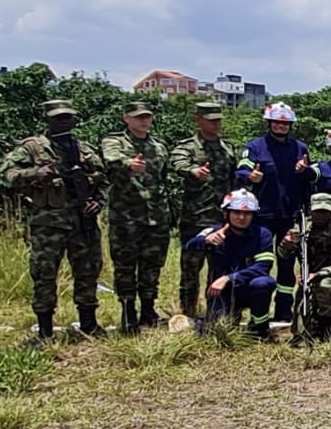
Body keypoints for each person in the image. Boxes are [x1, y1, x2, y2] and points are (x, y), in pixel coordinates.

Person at [3, 101, 107, 342]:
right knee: (44, 273)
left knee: (89, 271)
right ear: (48, 119)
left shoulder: (84, 149)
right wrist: (34, 174)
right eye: (58, 117)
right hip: (49, 223)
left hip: (83, 222)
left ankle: (89, 324)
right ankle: (45, 330)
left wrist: (98, 202)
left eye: (68, 117)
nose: (64, 121)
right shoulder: (33, 148)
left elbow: (103, 180)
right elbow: (7, 176)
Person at [237, 101, 311, 324]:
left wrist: (304, 170)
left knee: (287, 263)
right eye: (276, 122)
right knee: (260, 261)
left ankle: (284, 310)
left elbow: (311, 176)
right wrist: (250, 177)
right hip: (262, 216)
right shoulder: (256, 146)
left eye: (284, 123)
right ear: (269, 123)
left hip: (291, 215)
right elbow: (242, 168)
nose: (280, 126)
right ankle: (255, 310)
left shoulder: (300, 148)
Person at [101, 100, 169, 334]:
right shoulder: (114, 141)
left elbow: (162, 178)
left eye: (147, 116)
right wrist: (128, 164)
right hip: (126, 217)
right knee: (125, 266)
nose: (144, 120)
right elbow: (111, 159)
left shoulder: (159, 147)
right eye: (138, 116)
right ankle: (128, 312)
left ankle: (148, 311)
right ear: (126, 118)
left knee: (152, 267)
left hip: (156, 216)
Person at [168, 101, 236, 318]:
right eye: (210, 120)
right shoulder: (187, 147)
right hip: (195, 219)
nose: (216, 124)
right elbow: (177, 164)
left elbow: (234, 180)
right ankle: (187, 314)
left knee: (219, 269)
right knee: (190, 271)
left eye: (218, 120)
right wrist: (194, 171)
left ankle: (215, 314)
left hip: (222, 219)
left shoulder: (228, 148)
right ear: (198, 120)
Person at [185, 189, 277, 339]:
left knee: (264, 283)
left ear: (253, 215)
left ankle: (259, 327)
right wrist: (206, 241)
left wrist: (228, 278)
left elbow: (263, 266)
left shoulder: (262, 235)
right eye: (236, 212)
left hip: (248, 287)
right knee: (217, 332)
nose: (242, 217)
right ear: (226, 213)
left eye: (247, 213)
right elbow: (190, 246)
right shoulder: (214, 231)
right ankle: (206, 321)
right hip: (221, 292)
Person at [281, 193, 331, 340]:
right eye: (317, 211)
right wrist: (286, 245)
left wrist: (318, 274)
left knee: (324, 286)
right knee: (301, 332)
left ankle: (328, 327)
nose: (320, 215)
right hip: (309, 278)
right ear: (310, 211)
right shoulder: (302, 226)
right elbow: (284, 256)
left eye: (324, 212)